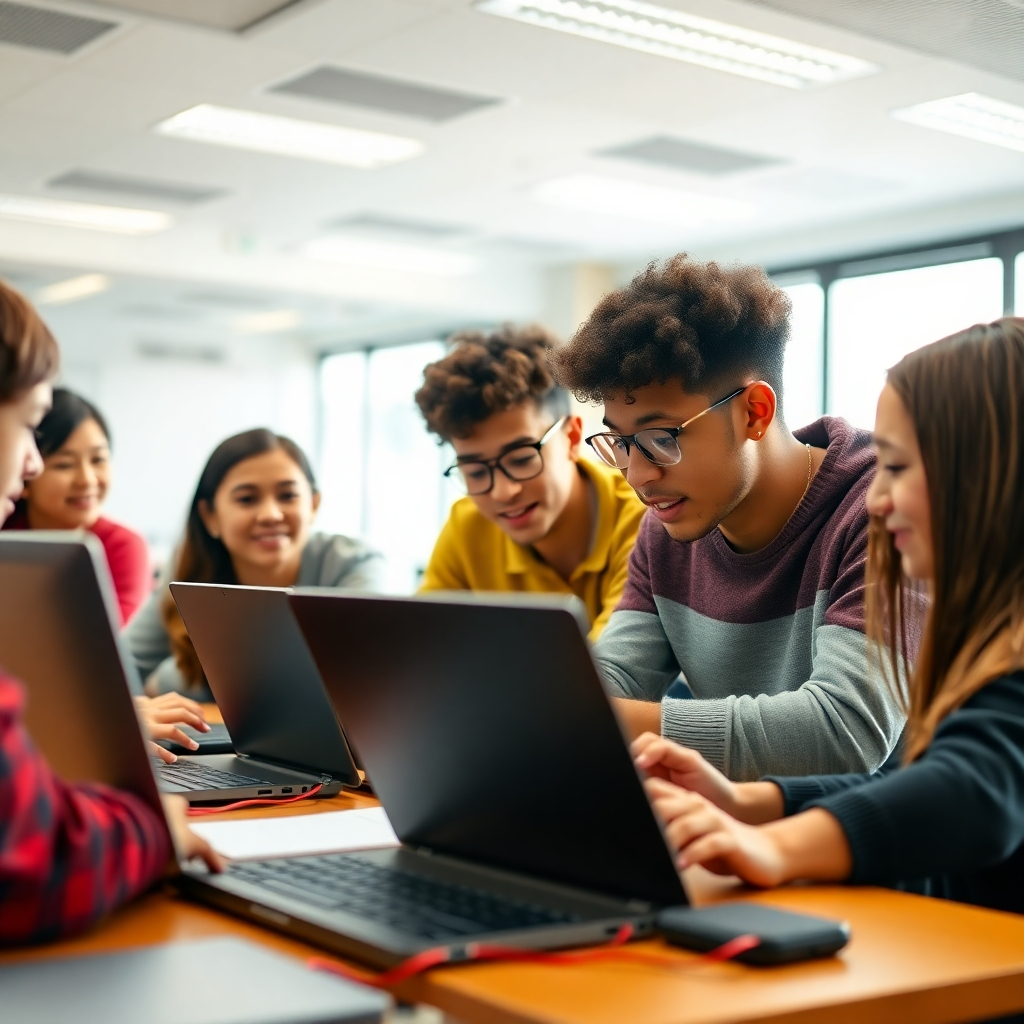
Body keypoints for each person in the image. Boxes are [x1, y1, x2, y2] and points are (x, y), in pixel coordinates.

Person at [634, 317, 1024, 916]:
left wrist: (780, 847)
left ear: (987, 469)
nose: (874, 497)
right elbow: (924, 787)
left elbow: (976, 791)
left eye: (896, 467)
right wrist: (756, 805)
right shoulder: (987, 630)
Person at [549, 256, 904, 779]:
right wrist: (545, 703)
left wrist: (593, 719)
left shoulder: (886, 510)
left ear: (754, 412)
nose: (637, 476)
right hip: (736, 833)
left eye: (660, 439)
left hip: (877, 847)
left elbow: (843, 733)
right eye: (622, 444)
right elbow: (615, 675)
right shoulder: (667, 526)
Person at [0, 279, 220, 945]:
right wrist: (156, 827)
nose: (33, 464)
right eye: (30, 426)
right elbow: (36, 868)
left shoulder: (115, 545)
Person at [415, 325, 645, 641]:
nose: (502, 492)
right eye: (477, 472)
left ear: (572, 437)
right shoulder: (466, 526)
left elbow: (606, 672)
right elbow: (422, 649)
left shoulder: (643, 522)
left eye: (521, 459)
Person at [126, 428, 383, 701]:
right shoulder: (188, 569)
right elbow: (113, 670)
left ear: (314, 504)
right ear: (210, 515)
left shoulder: (355, 563)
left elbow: (362, 676)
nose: (271, 514)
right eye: (247, 499)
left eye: (288, 496)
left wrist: (169, 678)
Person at [2, 387, 151, 624]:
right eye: (64, 465)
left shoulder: (122, 545)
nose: (87, 480)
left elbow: (113, 642)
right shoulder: (6, 532)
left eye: (98, 460)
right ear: (26, 469)